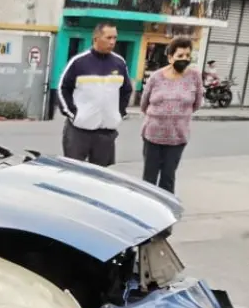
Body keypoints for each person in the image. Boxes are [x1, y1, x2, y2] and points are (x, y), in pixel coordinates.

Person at [57, 22, 132, 167]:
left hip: (106, 133)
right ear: (96, 38)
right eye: (108, 37)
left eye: (115, 38)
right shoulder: (79, 62)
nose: (112, 42)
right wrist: (73, 114)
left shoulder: (119, 63)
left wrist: (119, 113)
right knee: (73, 172)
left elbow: (126, 91)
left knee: (102, 177)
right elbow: (62, 88)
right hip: (79, 131)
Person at [139, 36, 203, 195]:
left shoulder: (194, 76)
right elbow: (144, 103)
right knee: (149, 178)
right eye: (180, 56)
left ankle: (165, 212)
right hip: (153, 135)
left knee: (168, 177)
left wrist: (178, 114)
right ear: (170, 57)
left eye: (188, 56)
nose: (185, 59)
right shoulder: (156, 77)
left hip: (177, 137)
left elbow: (197, 103)